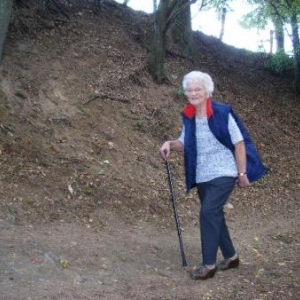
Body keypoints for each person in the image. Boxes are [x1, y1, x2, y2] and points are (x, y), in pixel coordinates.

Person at [160, 71, 267, 280]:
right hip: (202, 174)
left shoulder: (221, 112)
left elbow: (239, 143)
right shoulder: (189, 116)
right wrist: (170, 144)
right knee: (214, 213)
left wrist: (242, 172)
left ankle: (209, 265)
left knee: (208, 212)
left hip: (224, 171)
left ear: (207, 91)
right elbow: (184, 143)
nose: (193, 93)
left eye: (197, 89)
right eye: (189, 90)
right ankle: (231, 256)